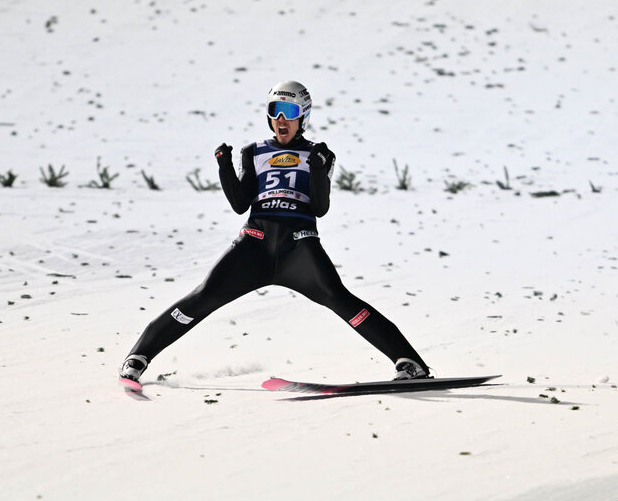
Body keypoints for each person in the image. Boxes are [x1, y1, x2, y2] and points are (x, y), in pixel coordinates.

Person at [119, 80, 430, 386]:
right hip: (254, 246)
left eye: (289, 111)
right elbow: (240, 204)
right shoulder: (253, 152)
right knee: (204, 295)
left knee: (339, 298)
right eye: (275, 110)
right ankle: (138, 357)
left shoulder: (320, 154)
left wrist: (318, 169)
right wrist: (224, 167)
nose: (281, 119)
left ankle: (409, 362)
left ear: (303, 116)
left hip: (299, 247)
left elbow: (320, 207)